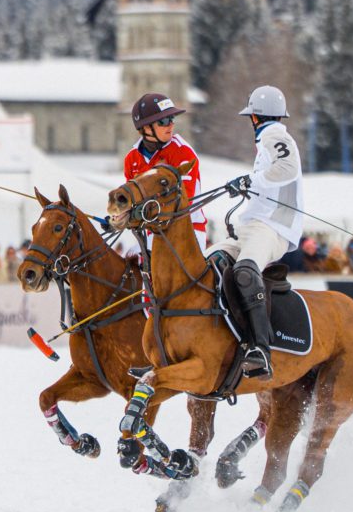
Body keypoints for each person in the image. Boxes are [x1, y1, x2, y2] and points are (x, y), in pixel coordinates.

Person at [209, 85, 303, 380]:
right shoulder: (266, 139)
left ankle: (261, 348)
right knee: (208, 263)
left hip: (273, 228)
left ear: (255, 118)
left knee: (246, 271)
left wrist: (251, 179)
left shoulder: (275, 135)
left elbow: (288, 168)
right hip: (251, 226)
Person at [124, 92, 207, 245]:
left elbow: (180, 201)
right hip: (150, 233)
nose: (170, 125)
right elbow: (132, 199)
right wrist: (119, 216)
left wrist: (139, 211)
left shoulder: (183, 152)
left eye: (171, 119)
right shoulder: (132, 159)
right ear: (145, 128)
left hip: (188, 229)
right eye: (163, 121)